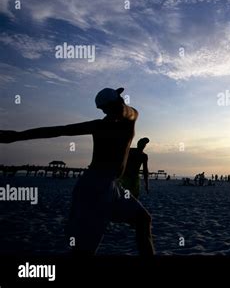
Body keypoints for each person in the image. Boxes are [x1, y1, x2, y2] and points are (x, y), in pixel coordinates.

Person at [0, 88, 155, 256]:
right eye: (106, 109)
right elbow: (58, 130)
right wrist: (16, 136)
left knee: (143, 220)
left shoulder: (128, 118)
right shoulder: (101, 125)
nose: (108, 112)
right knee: (84, 249)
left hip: (112, 185)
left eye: (109, 107)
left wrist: (118, 102)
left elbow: (125, 111)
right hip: (94, 185)